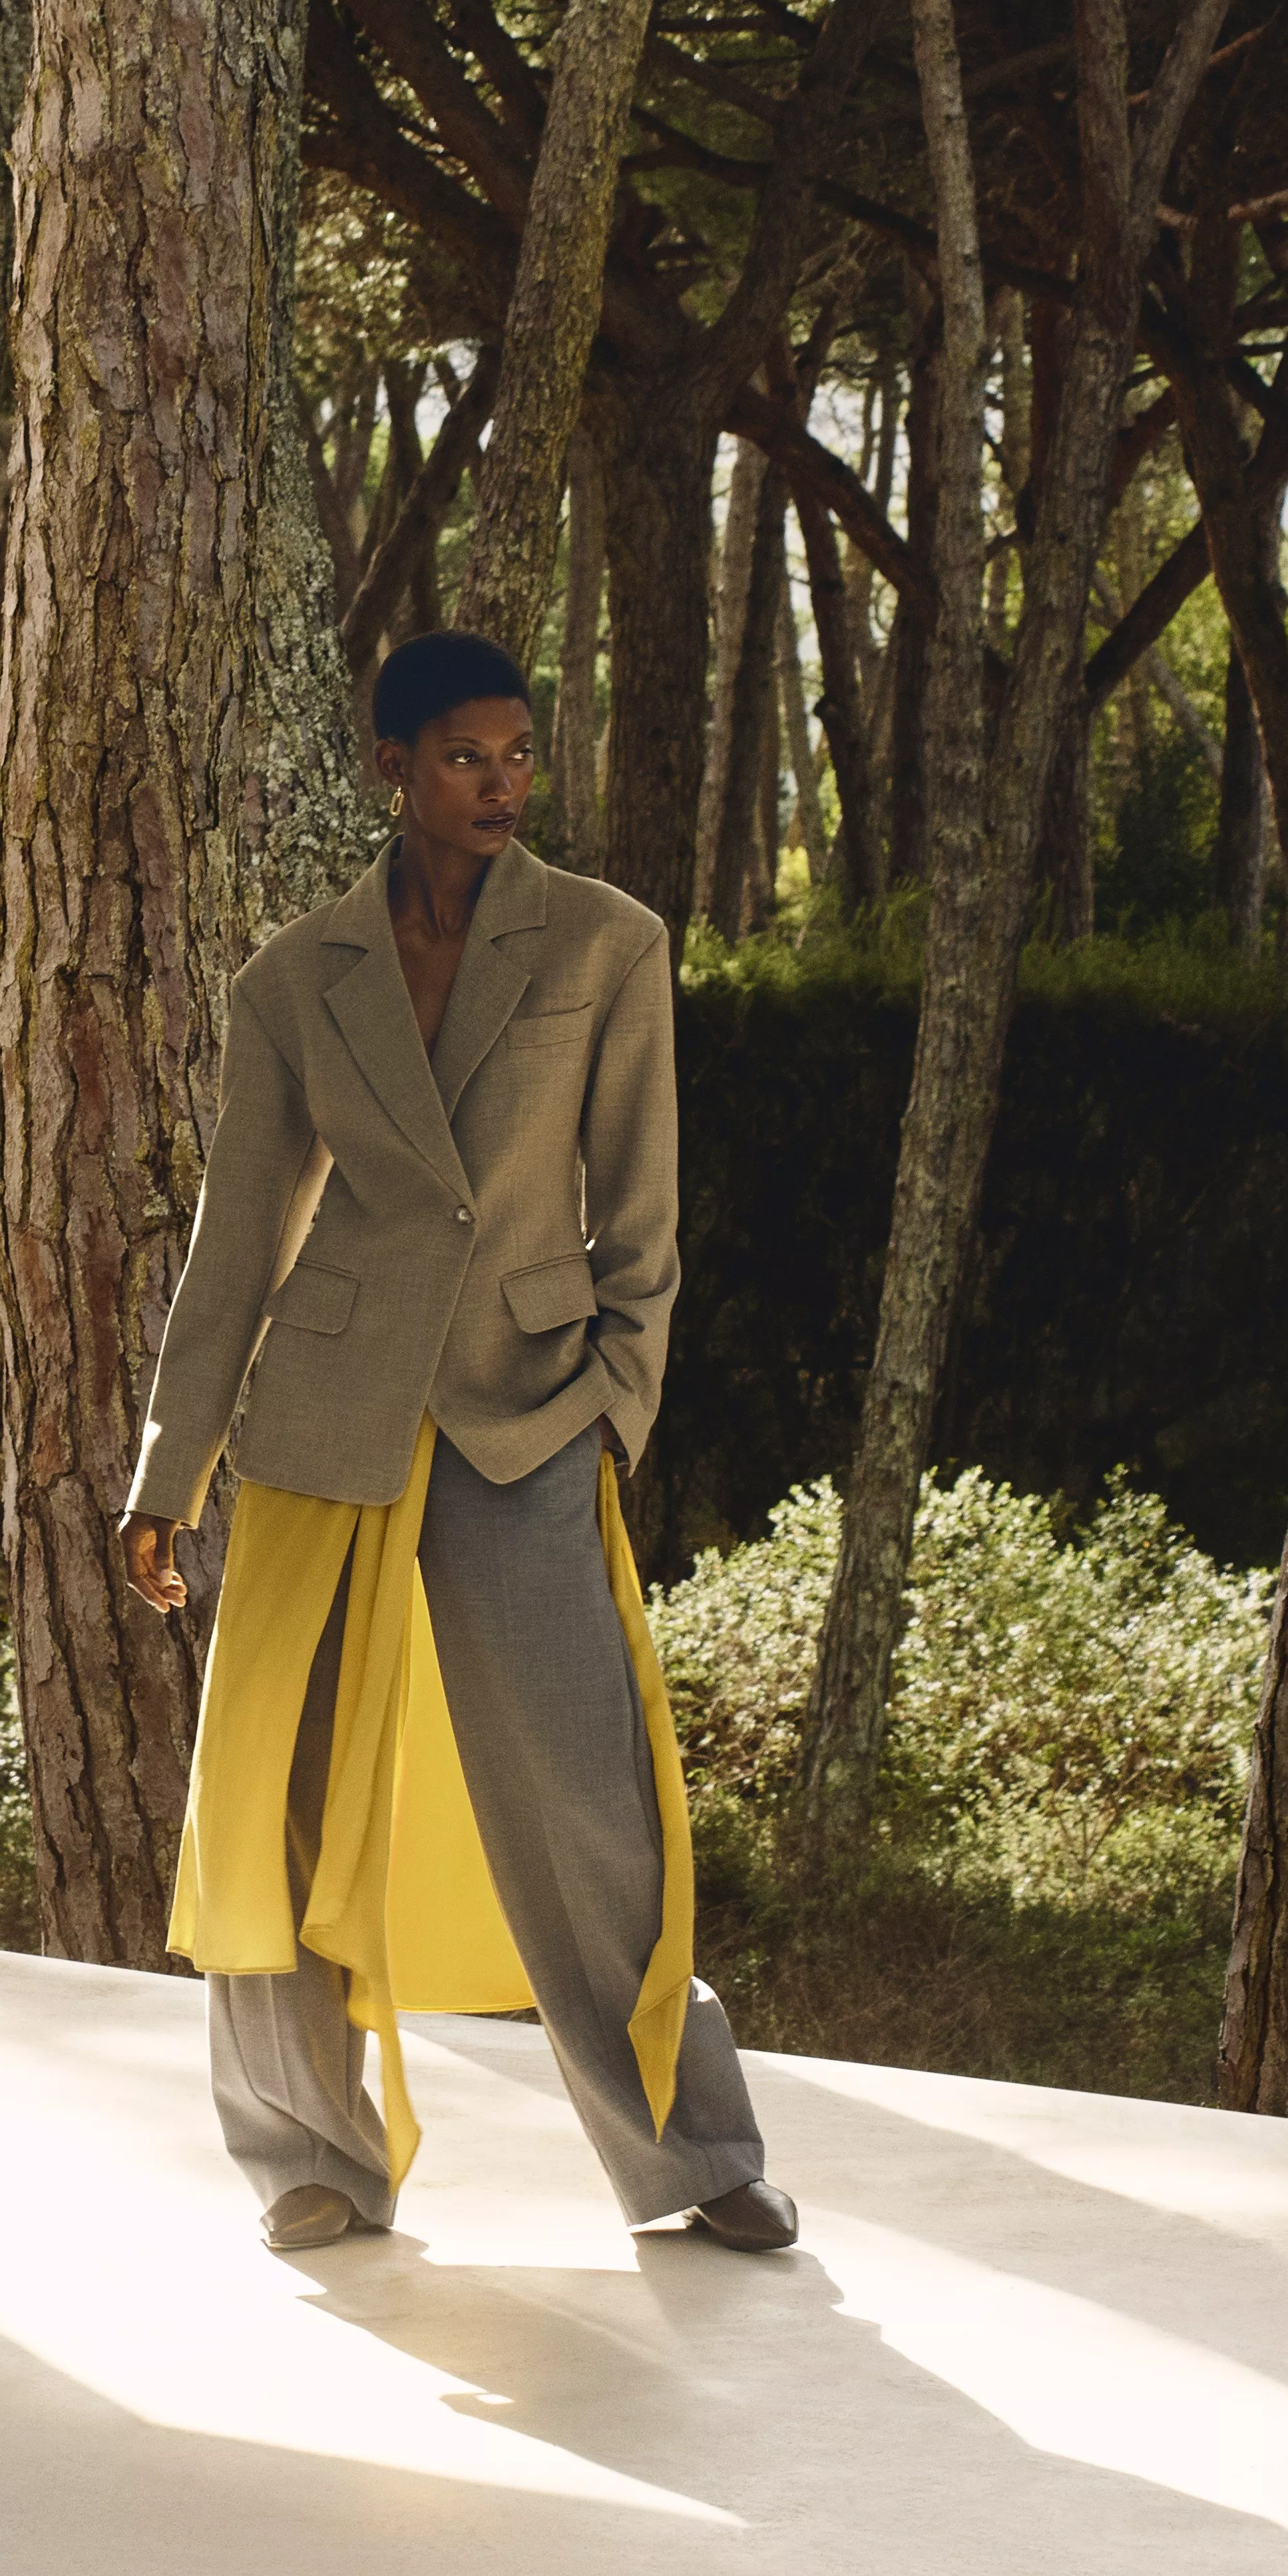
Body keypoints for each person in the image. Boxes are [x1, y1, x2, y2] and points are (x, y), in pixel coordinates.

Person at [120, 626, 795, 2260]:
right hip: (324, 1422)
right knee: (275, 1801)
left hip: (525, 1411)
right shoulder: (293, 980)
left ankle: (693, 2152)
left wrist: (612, 1407)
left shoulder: (604, 943)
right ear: (391, 768)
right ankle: (305, 2155)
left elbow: (642, 1202)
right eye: (461, 758)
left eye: (516, 754)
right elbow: (238, 1239)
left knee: (585, 1799)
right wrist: (169, 1471)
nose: (498, 785)